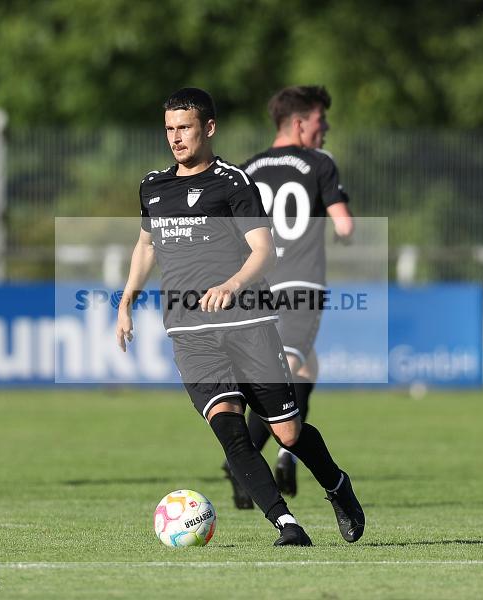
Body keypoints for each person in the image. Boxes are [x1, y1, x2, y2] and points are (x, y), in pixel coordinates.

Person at [115, 87, 364, 545]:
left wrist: (230, 286)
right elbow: (146, 244)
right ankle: (287, 525)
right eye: (169, 129)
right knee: (230, 430)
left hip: (248, 326)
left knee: (288, 434)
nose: (175, 137)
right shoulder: (153, 186)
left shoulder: (233, 183)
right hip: (190, 334)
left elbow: (264, 252)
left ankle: (336, 485)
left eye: (184, 127)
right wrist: (127, 300)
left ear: (208, 128)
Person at [225, 86, 354, 508]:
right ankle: (247, 454)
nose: (326, 128)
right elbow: (346, 227)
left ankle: (278, 452)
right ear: (299, 124)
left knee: (303, 366)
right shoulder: (319, 163)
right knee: (288, 368)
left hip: (256, 283)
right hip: (300, 283)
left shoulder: (245, 170)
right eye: (321, 121)